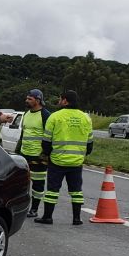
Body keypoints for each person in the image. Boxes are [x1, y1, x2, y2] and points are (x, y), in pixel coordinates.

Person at [35, 88, 93, 226]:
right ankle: (77, 218)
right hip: (76, 162)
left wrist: (47, 155)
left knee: (52, 191)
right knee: (76, 191)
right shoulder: (86, 117)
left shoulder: (55, 116)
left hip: (58, 160)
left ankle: (48, 217)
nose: (59, 101)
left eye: (60, 99)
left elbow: (46, 141)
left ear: (65, 101)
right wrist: (82, 154)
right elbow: (90, 143)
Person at [17, 89, 52, 217]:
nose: (26, 100)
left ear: (37, 101)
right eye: (27, 98)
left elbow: (50, 136)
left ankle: (34, 209)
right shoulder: (26, 114)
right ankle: (22, 207)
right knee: (22, 182)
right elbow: (23, 134)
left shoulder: (45, 115)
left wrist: (46, 153)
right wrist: (17, 151)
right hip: (24, 154)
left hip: (39, 156)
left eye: (30, 99)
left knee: (38, 184)